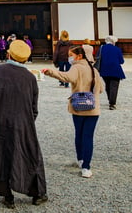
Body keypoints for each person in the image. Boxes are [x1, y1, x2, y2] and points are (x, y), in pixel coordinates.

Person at [0, 40, 48, 208]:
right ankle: (37, 194)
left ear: (9, 54)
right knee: (30, 155)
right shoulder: (29, 77)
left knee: (1, 155)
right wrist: (28, 120)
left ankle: (7, 196)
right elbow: (34, 107)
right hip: (23, 123)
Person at [42, 46, 104, 178]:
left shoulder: (77, 68)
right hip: (93, 108)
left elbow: (66, 77)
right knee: (88, 136)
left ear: (79, 56)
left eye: (72, 55)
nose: (70, 57)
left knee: (79, 134)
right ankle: (86, 167)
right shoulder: (94, 70)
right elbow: (101, 89)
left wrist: (50, 72)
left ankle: (81, 159)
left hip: (79, 107)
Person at [97, 35, 126, 110]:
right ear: (113, 42)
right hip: (115, 69)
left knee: (108, 85)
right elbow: (121, 61)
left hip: (104, 69)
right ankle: (112, 103)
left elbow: (97, 58)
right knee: (114, 86)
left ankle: (110, 99)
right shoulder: (117, 49)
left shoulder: (101, 48)